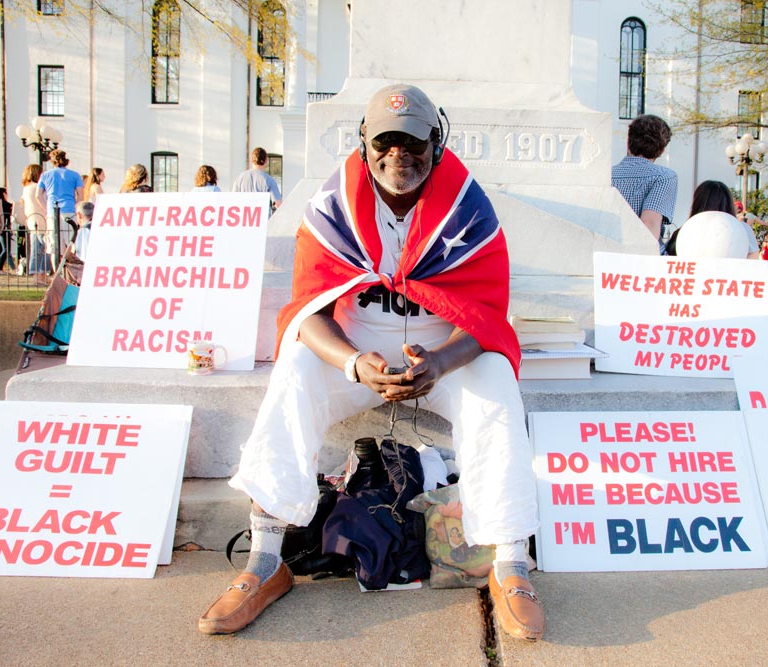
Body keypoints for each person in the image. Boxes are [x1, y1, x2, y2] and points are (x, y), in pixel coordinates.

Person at [198, 84, 544, 642]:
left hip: (443, 355)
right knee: (293, 370)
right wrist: (354, 362)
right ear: (364, 142)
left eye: (413, 143)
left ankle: (510, 561)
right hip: (357, 351)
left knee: (496, 386)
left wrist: (442, 360)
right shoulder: (332, 205)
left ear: (437, 141)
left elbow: (485, 314)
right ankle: (264, 558)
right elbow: (307, 311)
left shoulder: (468, 207)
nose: (398, 155)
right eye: (385, 141)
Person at [611, 114, 678, 254]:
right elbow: (649, 226)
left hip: (608, 253)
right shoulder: (664, 177)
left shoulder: (606, 175)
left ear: (628, 142)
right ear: (662, 150)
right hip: (641, 261)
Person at [668, 180, 758, 258]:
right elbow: (753, 263)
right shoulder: (743, 229)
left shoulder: (684, 232)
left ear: (697, 203)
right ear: (728, 204)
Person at [37, 149, 84, 267]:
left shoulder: (46, 175)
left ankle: (57, 274)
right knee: (71, 243)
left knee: (54, 246)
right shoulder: (75, 175)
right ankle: (69, 271)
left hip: (53, 212)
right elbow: (81, 195)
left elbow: (38, 195)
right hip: (69, 211)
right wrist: (75, 205)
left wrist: (46, 208)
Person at [20, 164, 49, 284]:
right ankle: (40, 274)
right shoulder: (38, 187)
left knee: (37, 248)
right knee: (43, 248)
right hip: (41, 219)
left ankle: (38, 274)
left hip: (32, 220)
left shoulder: (26, 188)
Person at [232, 147, 282, 214]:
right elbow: (278, 204)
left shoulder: (240, 178)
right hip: (262, 218)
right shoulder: (269, 180)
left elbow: (233, 200)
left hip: (244, 217)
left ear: (251, 160)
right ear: (266, 160)